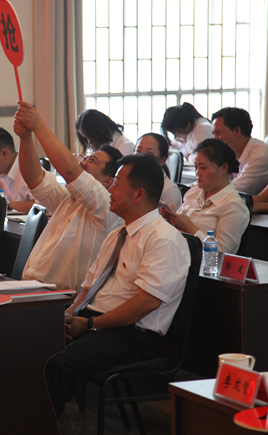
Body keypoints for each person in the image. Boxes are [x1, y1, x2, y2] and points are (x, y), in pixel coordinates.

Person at [45, 154, 190, 418]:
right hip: (96, 322)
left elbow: (146, 303)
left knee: (55, 364)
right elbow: (89, 289)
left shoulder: (163, 239)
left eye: (117, 183)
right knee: (29, 344)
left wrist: (89, 325)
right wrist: (67, 317)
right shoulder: (117, 234)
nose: (109, 188)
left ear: (138, 194)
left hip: (131, 334)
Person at [14, 101, 123, 292]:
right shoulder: (68, 198)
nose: (83, 162)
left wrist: (38, 125)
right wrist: (25, 137)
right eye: (85, 157)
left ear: (108, 181)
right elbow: (34, 178)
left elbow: (70, 171)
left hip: (63, 298)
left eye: (92, 160)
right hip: (33, 289)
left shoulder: (105, 205)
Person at [160, 139, 249, 254]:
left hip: (198, 263)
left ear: (223, 168)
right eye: (196, 167)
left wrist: (191, 229)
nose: (197, 173)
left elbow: (221, 253)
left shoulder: (233, 206)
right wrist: (171, 221)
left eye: (203, 168)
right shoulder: (193, 193)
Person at [211, 107, 268, 197]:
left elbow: (232, 192)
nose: (215, 139)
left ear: (237, 131)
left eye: (218, 133)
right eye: (213, 134)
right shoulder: (233, 154)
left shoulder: (260, 156)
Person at [135, 132, 182, 210]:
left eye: (149, 153)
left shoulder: (169, 190)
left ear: (162, 160)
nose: (141, 157)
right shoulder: (129, 181)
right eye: (138, 151)